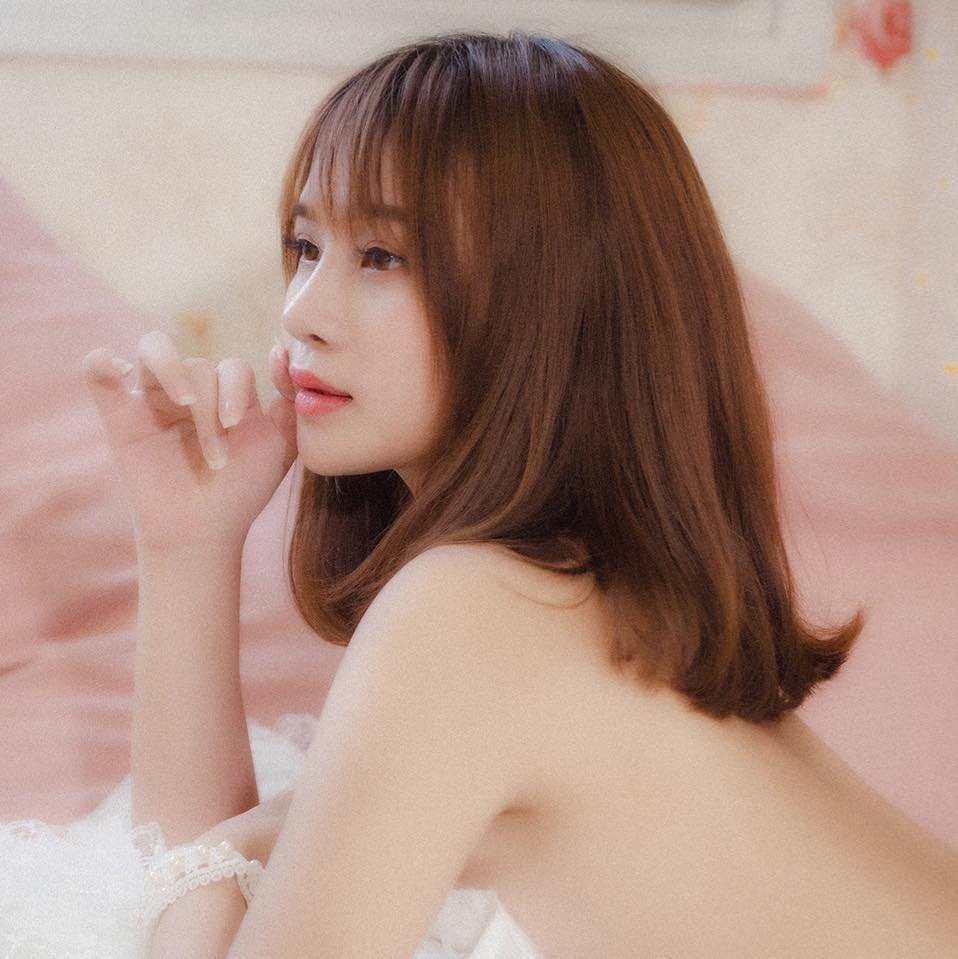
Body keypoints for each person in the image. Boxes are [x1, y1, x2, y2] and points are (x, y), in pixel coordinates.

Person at [2, 27, 957, 959]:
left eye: (383, 256)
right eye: (305, 245)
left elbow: (198, 896)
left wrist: (229, 849)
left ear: (554, 299)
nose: (300, 313)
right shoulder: (565, 605)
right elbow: (196, 877)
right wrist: (186, 544)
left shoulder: (475, 611)